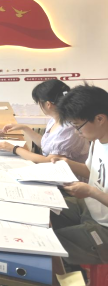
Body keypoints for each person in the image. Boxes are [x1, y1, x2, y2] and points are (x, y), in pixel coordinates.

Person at [48, 84, 108, 268]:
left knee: (47, 248)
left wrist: (90, 191)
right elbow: (93, 171)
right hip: (90, 208)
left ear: (99, 118)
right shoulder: (97, 140)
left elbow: (93, 187)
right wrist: (65, 162)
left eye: (77, 126)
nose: (77, 132)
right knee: (42, 212)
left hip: (104, 227)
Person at [0, 79, 89, 163]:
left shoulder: (68, 128)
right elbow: (45, 145)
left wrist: (15, 149)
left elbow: (50, 160)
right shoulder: (54, 120)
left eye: (39, 102)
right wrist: (24, 128)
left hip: (67, 176)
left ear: (48, 104)